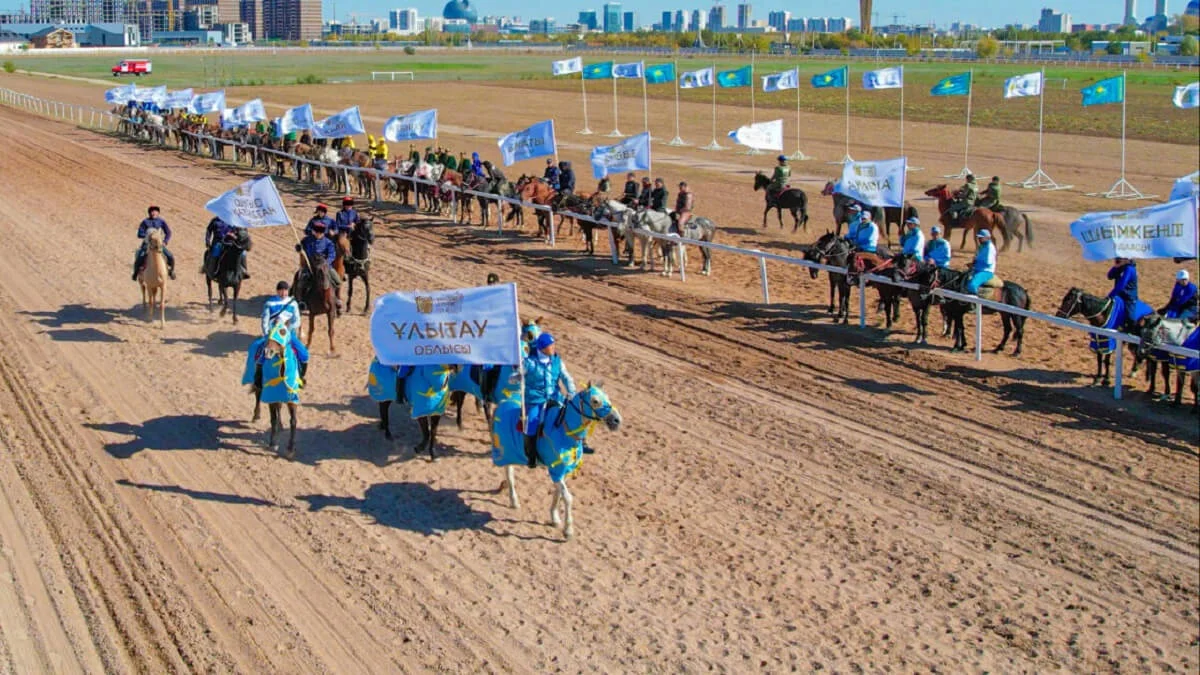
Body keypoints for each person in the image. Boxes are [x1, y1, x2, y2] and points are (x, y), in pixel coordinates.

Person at [522, 332, 576, 468]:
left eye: (553, 345)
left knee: (574, 414)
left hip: (554, 396)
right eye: (549, 346)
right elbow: (518, 373)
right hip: (536, 399)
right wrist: (516, 375)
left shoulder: (557, 360)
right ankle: (531, 455)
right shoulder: (529, 363)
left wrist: (571, 391)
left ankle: (581, 443)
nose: (553, 348)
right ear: (542, 348)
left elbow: (566, 377)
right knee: (531, 423)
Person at [294, 221, 340, 305]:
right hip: (309, 266)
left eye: (321, 232)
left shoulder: (328, 242)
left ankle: (336, 298)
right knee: (301, 281)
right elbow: (299, 248)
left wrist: (327, 262)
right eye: (317, 232)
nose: (318, 234)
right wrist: (298, 247)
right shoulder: (306, 240)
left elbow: (332, 254)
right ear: (313, 231)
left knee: (337, 281)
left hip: (324, 266)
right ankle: (301, 301)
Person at [132, 205, 175, 281]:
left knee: (170, 256)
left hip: (158, 244)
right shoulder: (145, 222)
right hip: (147, 245)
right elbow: (139, 234)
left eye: (155, 211)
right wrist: (147, 236)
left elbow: (168, 232)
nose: (153, 213)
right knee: (139, 258)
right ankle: (135, 273)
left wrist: (165, 241)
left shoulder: (161, 221)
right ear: (149, 213)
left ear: (158, 213)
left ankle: (171, 271)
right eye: (152, 211)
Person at [965, 229, 997, 295]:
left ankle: (975, 304)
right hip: (977, 270)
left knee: (972, 285)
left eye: (981, 238)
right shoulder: (982, 246)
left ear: (987, 237)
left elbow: (988, 262)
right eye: (979, 238)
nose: (979, 239)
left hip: (985, 272)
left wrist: (974, 265)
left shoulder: (990, 247)